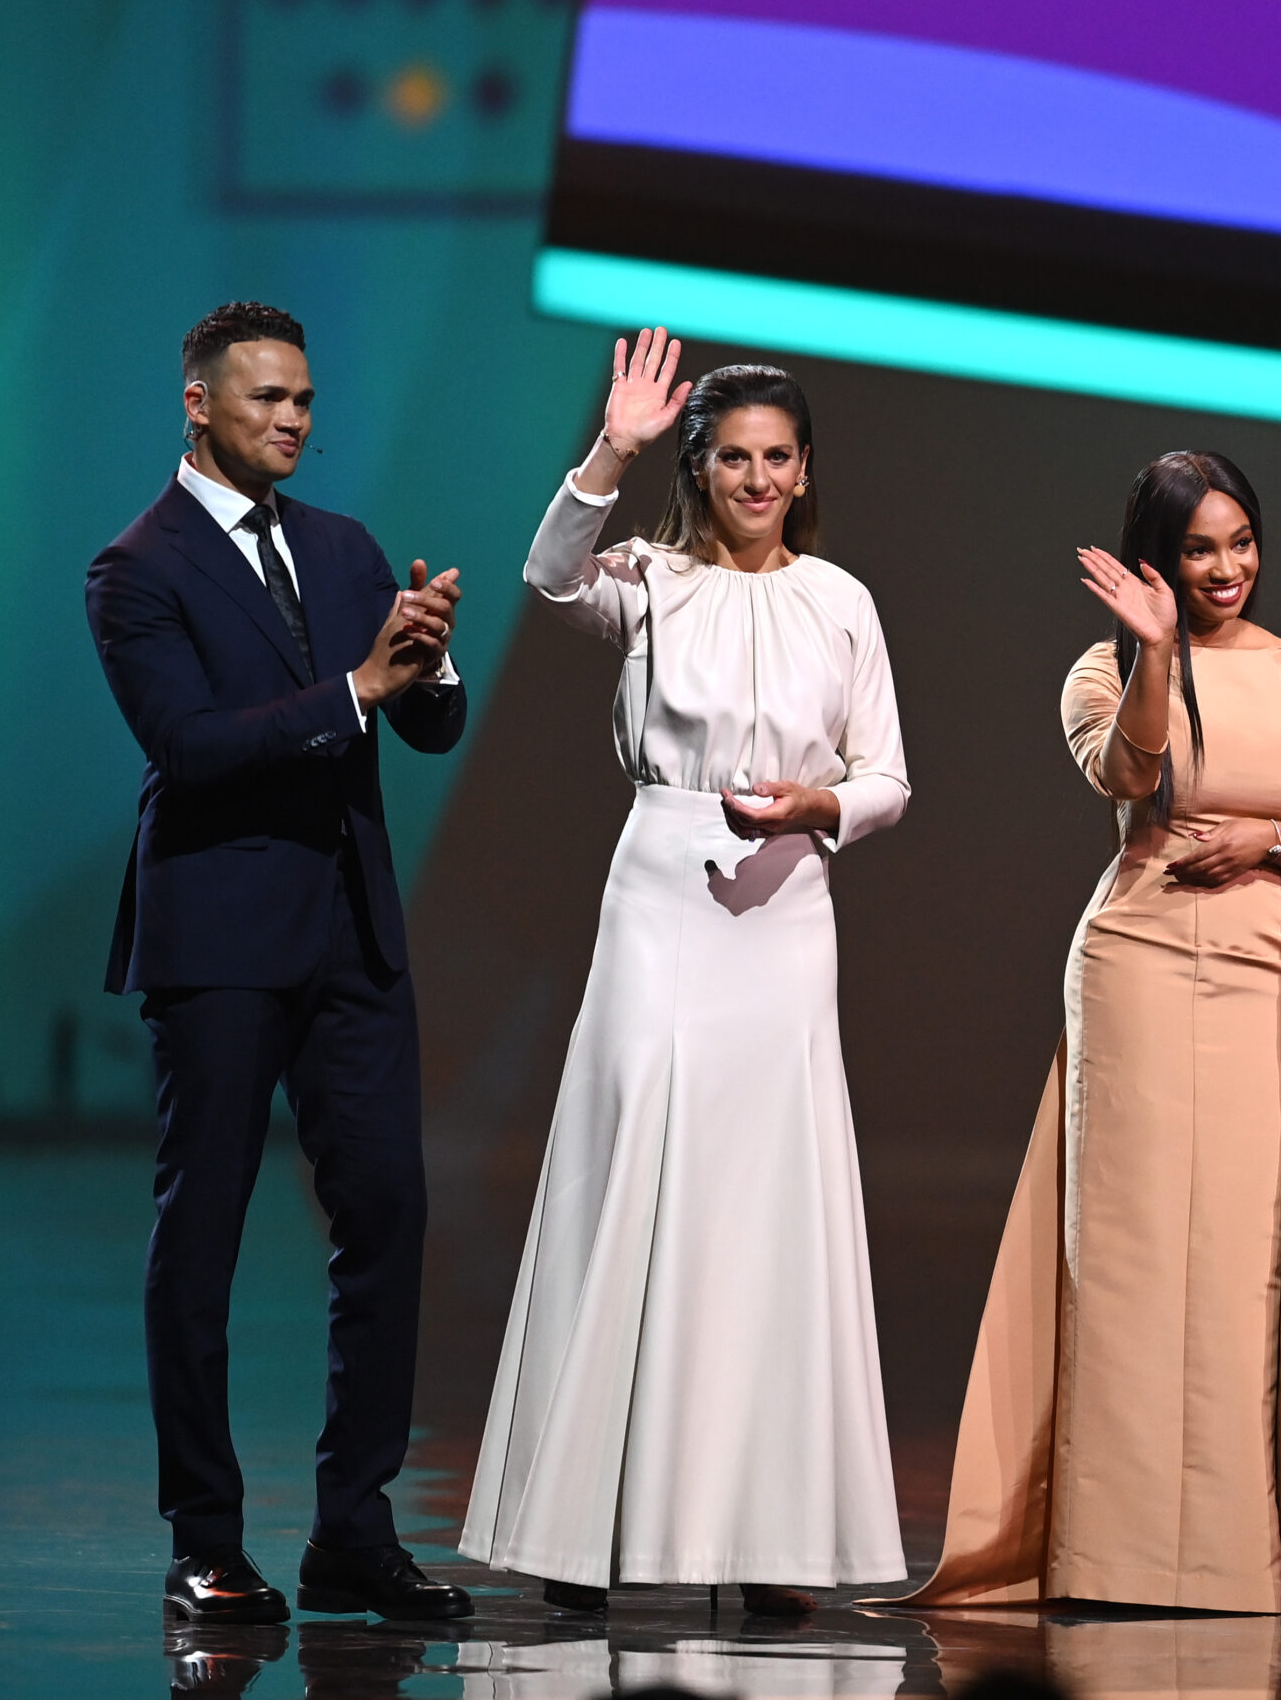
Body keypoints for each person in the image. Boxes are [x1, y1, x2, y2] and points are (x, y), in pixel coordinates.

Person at [899, 451, 1281, 1616]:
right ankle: (1113, 1557)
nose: (1225, 567)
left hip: (1272, 975)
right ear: (1156, 559)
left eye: (1240, 542)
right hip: (1136, 967)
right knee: (1127, 1265)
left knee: (1243, 1263)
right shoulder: (1105, 665)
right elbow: (1123, 769)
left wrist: (1274, 845)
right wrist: (1157, 650)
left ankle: (1244, 1556)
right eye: (1199, 548)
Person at [459, 331, 910, 1617]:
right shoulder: (645, 579)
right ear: (699, 467)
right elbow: (548, 577)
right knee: (633, 1167)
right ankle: (579, 1527)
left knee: (765, 1190)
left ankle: (767, 1536)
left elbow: (887, 772)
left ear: (805, 467)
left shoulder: (842, 599)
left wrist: (821, 803)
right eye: (731, 459)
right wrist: (615, 446)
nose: (755, 479)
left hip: (787, 900)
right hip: (664, 875)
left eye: (776, 458)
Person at [87, 301, 471, 1623]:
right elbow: (190, 748)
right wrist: (361, 689)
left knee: (388, 1217)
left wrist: (426, 667)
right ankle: (207, 1538)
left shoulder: (346, 545)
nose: (295, 419)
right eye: (267, 400)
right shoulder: (135, 568)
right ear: (199, 404)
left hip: (350, 933)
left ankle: (353, 1527)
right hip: (219, 938)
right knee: (203, 1235)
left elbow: (423, 724)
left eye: (305, 398)